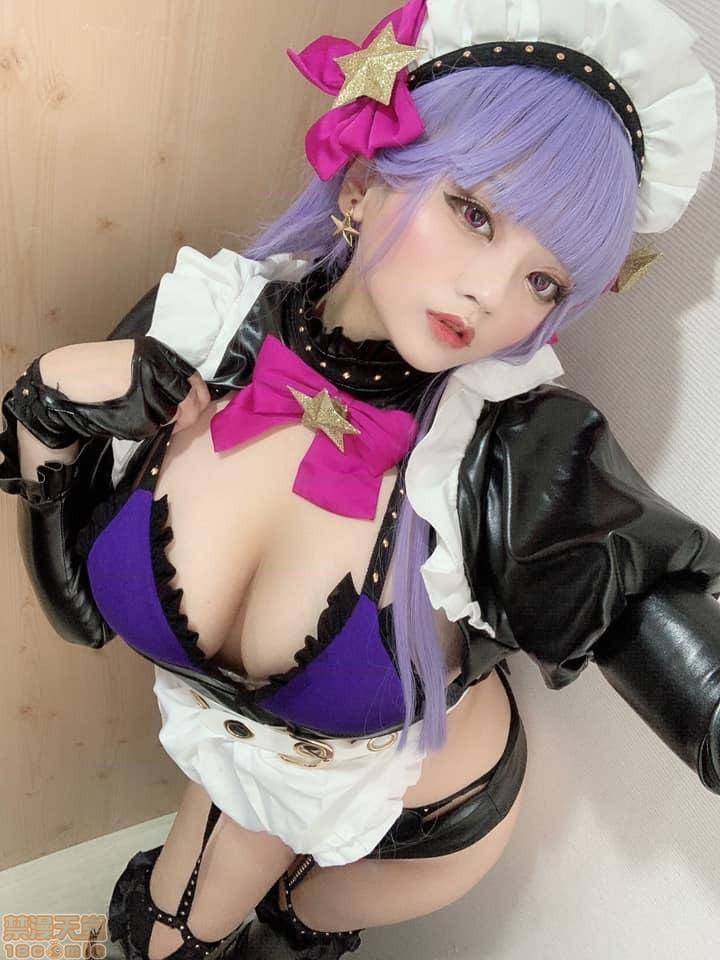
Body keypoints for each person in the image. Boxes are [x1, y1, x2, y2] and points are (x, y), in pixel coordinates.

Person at [1, 0, 719, 957]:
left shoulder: (507, 450)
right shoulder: (203, 326)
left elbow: (658, 618)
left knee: (181, 937)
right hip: (265, 758)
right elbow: (79, 615)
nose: (491, 295)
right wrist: (43, 410)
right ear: (365, 181)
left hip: (435, 813)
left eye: (544, 282)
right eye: (474, 213)